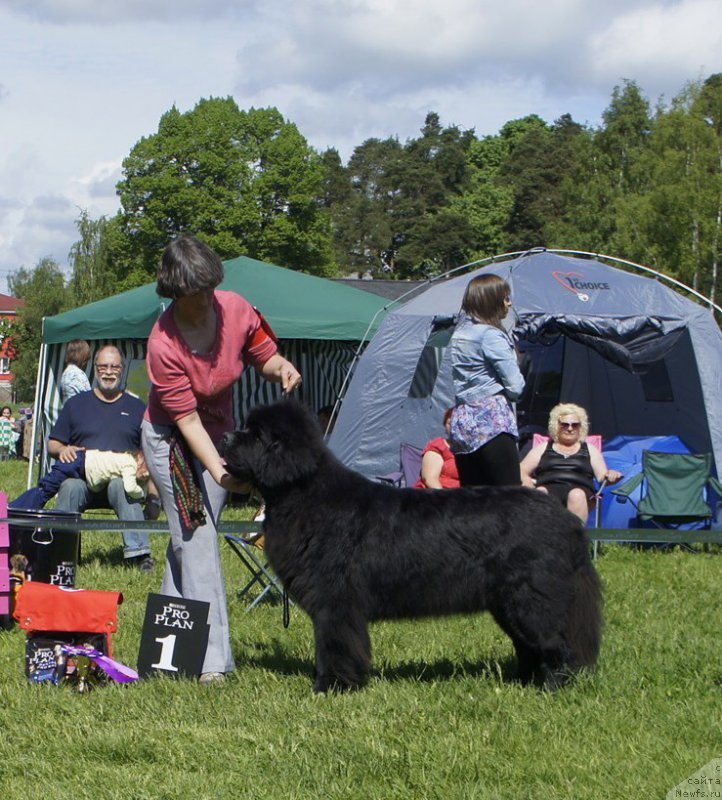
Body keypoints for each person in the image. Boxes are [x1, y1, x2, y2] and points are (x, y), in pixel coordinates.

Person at [142, 234, 302, 685]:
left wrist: (281, 367)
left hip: (219, 435)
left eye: (211, 288)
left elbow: (262, 354)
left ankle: (167, 652)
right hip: (171, 440)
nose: (207, 299)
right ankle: (213, 663)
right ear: (175, 293)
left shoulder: (235, 307)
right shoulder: (163, 343)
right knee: (198, 540)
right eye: (197, 294)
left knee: (186, 543)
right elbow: (187, 422)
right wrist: (220, 472)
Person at [48, 345, 155, 570]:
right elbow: (52, 443)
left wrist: (154, 496)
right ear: (94, 369)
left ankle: (139, 554)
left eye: (114, 366)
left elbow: (150, 453)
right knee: (69, 486)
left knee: (121, 486)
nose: (108, 371)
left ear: (122, 369)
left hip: (121, 481)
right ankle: (61, 552)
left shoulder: (137, 407)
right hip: (83, 479)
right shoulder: (76, 405)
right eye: (103, 366)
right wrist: (62, 450)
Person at [448, 274, 525, 487]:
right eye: (505, 297)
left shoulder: (459, 334)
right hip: (492, 421)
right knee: (508, 497)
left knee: (474, 499)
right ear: (492, 300)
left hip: (463, 421)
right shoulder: (491, 335)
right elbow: (516, 387)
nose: (509, 303)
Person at [519, 402, 623, 524]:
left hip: (581, 491)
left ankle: (574, 539)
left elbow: (602, 476)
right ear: (556, 426)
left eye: (575, 425)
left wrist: (611, 476)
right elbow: (521, 469)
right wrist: (528, 484)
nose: (570, 428)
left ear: (581, 427)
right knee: (541, 492)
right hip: (548, 488)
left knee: (576, 495)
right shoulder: (543, 447)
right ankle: (544, 539)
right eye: (565, 424)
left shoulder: (589, 449)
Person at [10, 448, 150, 511]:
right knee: (45, 490)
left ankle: (17, 508)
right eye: (146, 470)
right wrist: (143, 495)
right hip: (77, 462)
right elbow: (131, 487)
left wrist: (143, 482)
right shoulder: (129, 465)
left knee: (45, 489)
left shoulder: (127, 457)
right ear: (141, 459)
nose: (146, 475)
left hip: (80, 462)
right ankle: (16, 509)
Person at [415, 408, 460, 489]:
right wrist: (446, 498)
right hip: (437, 495)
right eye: (449, 423)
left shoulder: (474, 450)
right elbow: (430, 479)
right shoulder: (439, 446)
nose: (452, 427)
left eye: (457, 423)